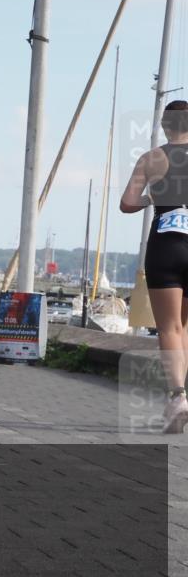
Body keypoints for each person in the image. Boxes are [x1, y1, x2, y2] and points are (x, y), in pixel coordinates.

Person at [120, 99, 188, 433]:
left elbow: (128, 203)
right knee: (184, 326)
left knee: (168, 327)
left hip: (166, 244)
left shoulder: (150, 158)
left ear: (165, 126)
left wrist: (154, 197)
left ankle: (178, 396)